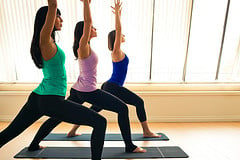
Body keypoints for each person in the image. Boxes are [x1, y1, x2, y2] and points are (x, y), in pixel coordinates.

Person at [26, 0, 145, 153]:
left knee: (56, 117)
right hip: (88, 91)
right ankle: (130, 146)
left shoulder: (86, 46)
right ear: (85, 31)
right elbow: (88, 22)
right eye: (91, 28)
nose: (94, 28)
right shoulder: (83, 45)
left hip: (79, 89)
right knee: (122, 108)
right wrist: (86, 4)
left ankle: (34, 144)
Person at [0, 0, 106, 160]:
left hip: (38, 98)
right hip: (50, 100)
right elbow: (52, 5)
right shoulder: (44, 40)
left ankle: (34, 145)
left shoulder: (48, 41)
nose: (61, 20)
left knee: (8, 133)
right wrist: (54, 7)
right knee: (100, 122)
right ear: (48, 19)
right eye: (58, 17)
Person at [69, 0, 160, 138]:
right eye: (121, 36)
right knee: (139, 102)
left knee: (96, 108)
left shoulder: (119, 51)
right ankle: (146, 131)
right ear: (115, 38)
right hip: (113, 86)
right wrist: (117, 14)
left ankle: (73, 130)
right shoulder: (116, 51)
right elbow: (118, 30)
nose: (123, 36)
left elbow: (119, 32)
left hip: (110, 86)